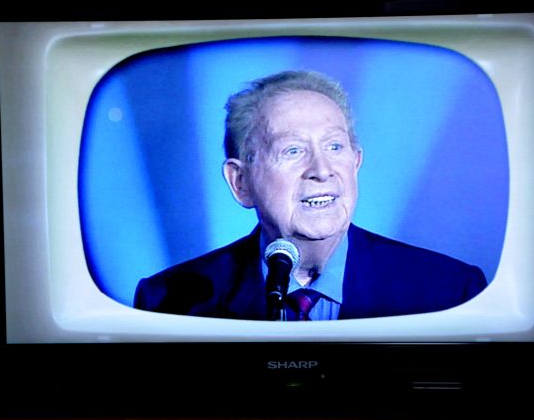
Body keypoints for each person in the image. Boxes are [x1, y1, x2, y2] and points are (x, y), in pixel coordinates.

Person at [134, 70, 487, 320]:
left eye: (335, 146)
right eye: (292, 151)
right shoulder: (167, 301)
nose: (321, 169)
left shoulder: (450, 292)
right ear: (240, 182)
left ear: (356, 161)